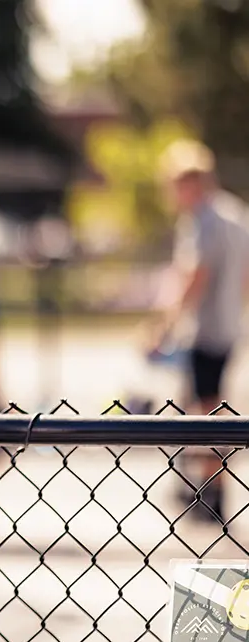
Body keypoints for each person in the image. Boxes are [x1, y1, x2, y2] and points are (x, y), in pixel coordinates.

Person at [147, 139, 249, 520]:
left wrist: (162, 326)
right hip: (227, 328)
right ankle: (206, 487)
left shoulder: (203, 220)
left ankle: (211, 492)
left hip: (205, 331)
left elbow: (193, 277)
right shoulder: (236, 214)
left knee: (206, 410)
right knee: (208, 405)